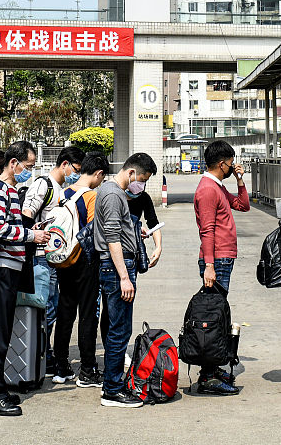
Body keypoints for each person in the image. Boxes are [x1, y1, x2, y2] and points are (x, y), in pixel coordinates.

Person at [0, 140, 51, 417]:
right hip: (0, 269)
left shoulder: (7, 189)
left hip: (9, 267)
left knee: (2, 331)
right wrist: (32, 235)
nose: (29, 172)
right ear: (13, 163)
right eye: (28, 166)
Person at [94, 152, 157, 408]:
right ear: (131, 173)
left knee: (118, 328)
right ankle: (112, 389)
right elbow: (111, 237)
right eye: (141, 180)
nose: (141, 186)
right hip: (116, 269)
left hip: (118, 266)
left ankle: (113, 382)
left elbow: (117, 230)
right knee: (119, 330)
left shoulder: (115, 193)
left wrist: (133, 230)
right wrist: (123, 277)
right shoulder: (112, 194)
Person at [21, 145, 84, 381]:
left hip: (54, 258)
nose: (76, 174)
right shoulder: (43, 185)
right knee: (45, 308)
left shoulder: (61, 188)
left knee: (53, 308)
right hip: (40, 257)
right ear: (65, 164)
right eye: (75, 169)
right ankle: (40, 354)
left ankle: (44, 355)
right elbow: (27, 216)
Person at [193, 140, 250, 395]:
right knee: (212, 319)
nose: (231, 166)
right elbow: (207, 230)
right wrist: (209, 266)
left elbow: (243, 205)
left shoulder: (217, 186)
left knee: (218, 315)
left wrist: (239, 180)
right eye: (230, 163)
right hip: (216, 260)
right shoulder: (207, 190)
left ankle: (213, 368)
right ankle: (207, 377)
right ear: (221, 163)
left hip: (223, 259)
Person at [52, 152, 108, 386]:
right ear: (98, 174)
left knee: (65, 312)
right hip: (85, 262)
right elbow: (95, 232)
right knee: (87, 315)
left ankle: (61, 366)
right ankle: (87, 369)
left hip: (65, 259)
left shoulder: (63, 193)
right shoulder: (92, 196)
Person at [125, 179, 163, 269]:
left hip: (133, 250)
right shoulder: (115, 195)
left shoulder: (143, 197)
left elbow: (154, 224)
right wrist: (136, 228)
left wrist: (158, 247)